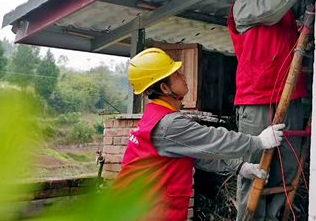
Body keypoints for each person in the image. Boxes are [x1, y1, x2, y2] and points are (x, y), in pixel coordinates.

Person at [112, 47, 285, 221]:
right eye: (177, 74)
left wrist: (239, 167)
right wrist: (258, 141)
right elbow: (215, 140)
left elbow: (196, 154)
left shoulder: (156, 117)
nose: (183, 76)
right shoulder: (169, 124)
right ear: (165, 88)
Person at [228, 0, 316, 220]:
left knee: (286, 173)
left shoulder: (285, 11)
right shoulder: (244, 7)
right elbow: (269, 9)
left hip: (291, 99)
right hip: (256, 101)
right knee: (256, 172)